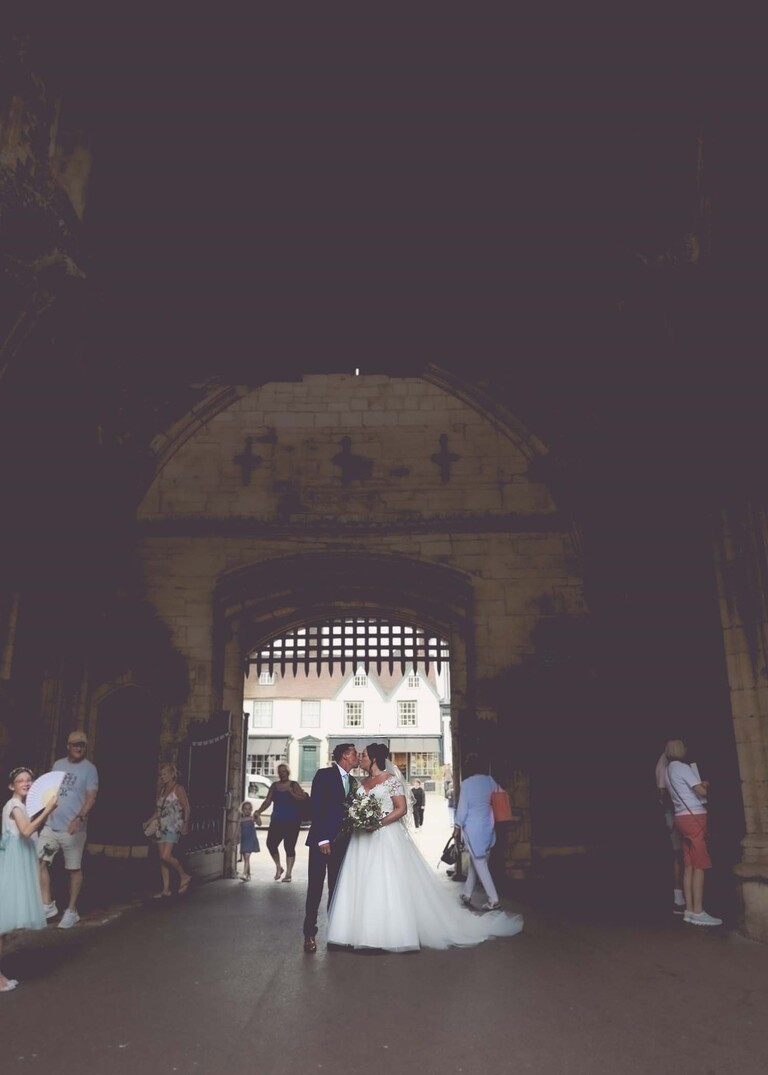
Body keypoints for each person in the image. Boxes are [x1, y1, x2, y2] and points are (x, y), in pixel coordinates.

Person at [327, 742, 523, 951]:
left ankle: (386, 934)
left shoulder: (390, 780)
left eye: (364, 755)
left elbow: (401, 809)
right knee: (359, 882)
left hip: (383, 836)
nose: (361, 757)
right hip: (360, 841)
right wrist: (357, 818)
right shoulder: (360, 782)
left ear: (374, 758)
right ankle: (351, 933)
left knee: (384, 882)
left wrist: (377, 822)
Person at [1, 767, 59, 991]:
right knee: (2, 926)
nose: (25, 783)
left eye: (28, 780)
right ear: (11, 786)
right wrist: (48, 810)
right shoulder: (15, 805)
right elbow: (25, 832)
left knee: (4, 927)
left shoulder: (17, 806)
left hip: (13, 863)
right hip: (12, 868)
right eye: (20, 781)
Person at [38, 730, 99, 929]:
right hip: (51, 826)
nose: (78, 748)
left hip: (73, 829)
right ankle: (47, 904)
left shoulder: (90, 769)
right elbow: (50, 791)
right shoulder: (58, 765)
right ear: (68, 746)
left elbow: (91, 797)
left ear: (85, 746)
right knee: (39, 860)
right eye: (75, 745)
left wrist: (79, 818)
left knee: (73, 869)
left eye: (81, 745)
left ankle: (71, 911)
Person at [302, 743, 359, 953]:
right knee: (315, 889)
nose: (357, 757)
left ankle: (335, 935)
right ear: (345, 756)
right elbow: (315, 807)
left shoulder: (353, 782)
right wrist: (322, 839)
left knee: (337, 890)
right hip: (321, 843)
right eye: (354, 753)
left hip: (342, 844)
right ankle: (309, 934)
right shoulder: (324, 775)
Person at [664, 739, 722, 927]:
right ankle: (698, 911)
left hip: (681, 817)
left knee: (688, 864)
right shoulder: (682, 767)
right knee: (700, 865)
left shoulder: (668, 770)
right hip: (695, 817)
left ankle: (689, 910)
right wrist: (705, 784)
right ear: (681, 750)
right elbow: (701, 792)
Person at [454, 753, 503, 910]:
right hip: (488, 826)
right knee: (477, 863)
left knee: (480, 863)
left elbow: (462, 809)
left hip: (473, 828)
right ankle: (467, 893)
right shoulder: (490, 781)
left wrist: (456, 826)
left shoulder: (467, 784)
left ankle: (493, 898)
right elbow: (501, 795)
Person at [255, 763, 309, 883]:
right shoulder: (274, 786)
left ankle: (288, 874)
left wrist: (292, 792)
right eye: (280, 771)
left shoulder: (294, 785)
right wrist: (259, 811)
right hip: (277, 821)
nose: (281, 773)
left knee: (289, 847)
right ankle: (279, 867)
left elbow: (303, 798)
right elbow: (268, 801)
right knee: (271, 844)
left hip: (292, 821)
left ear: (288, 772)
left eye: (284, 771)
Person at [144, 763, 192, 898]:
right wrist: (148, 822)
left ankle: (184, 875)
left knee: (166, 856)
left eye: (165, 774)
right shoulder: (162, 790)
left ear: (172, 774)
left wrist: (185, 824)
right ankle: (166, 889)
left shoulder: (178, 789)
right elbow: (159, 811)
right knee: (162, 859)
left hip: (173, 826)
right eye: (161, 774)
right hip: (161, 827)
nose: (163, 777)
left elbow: (187, 807)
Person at [655, 746, 686, 914]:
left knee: (681, 855)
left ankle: (682, 898)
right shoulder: (666, 762)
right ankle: (681, 898)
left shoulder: (668, 762)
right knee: (681, 855)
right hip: (675, 814)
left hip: (674, 813)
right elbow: (662, 793)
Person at [239, 800, 260, 881]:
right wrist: (234, 839)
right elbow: (237, 830)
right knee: (246, 858)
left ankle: (244, 874)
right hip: (244, 840)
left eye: (249, 809)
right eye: (245, 809)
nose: (247, 811)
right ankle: (248, 874)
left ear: (251, 810)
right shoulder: (241, 820)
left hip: (251, 840)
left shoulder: (252, 818)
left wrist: (257, 816)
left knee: (247, 856)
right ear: (242, 810)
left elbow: (259, 823)